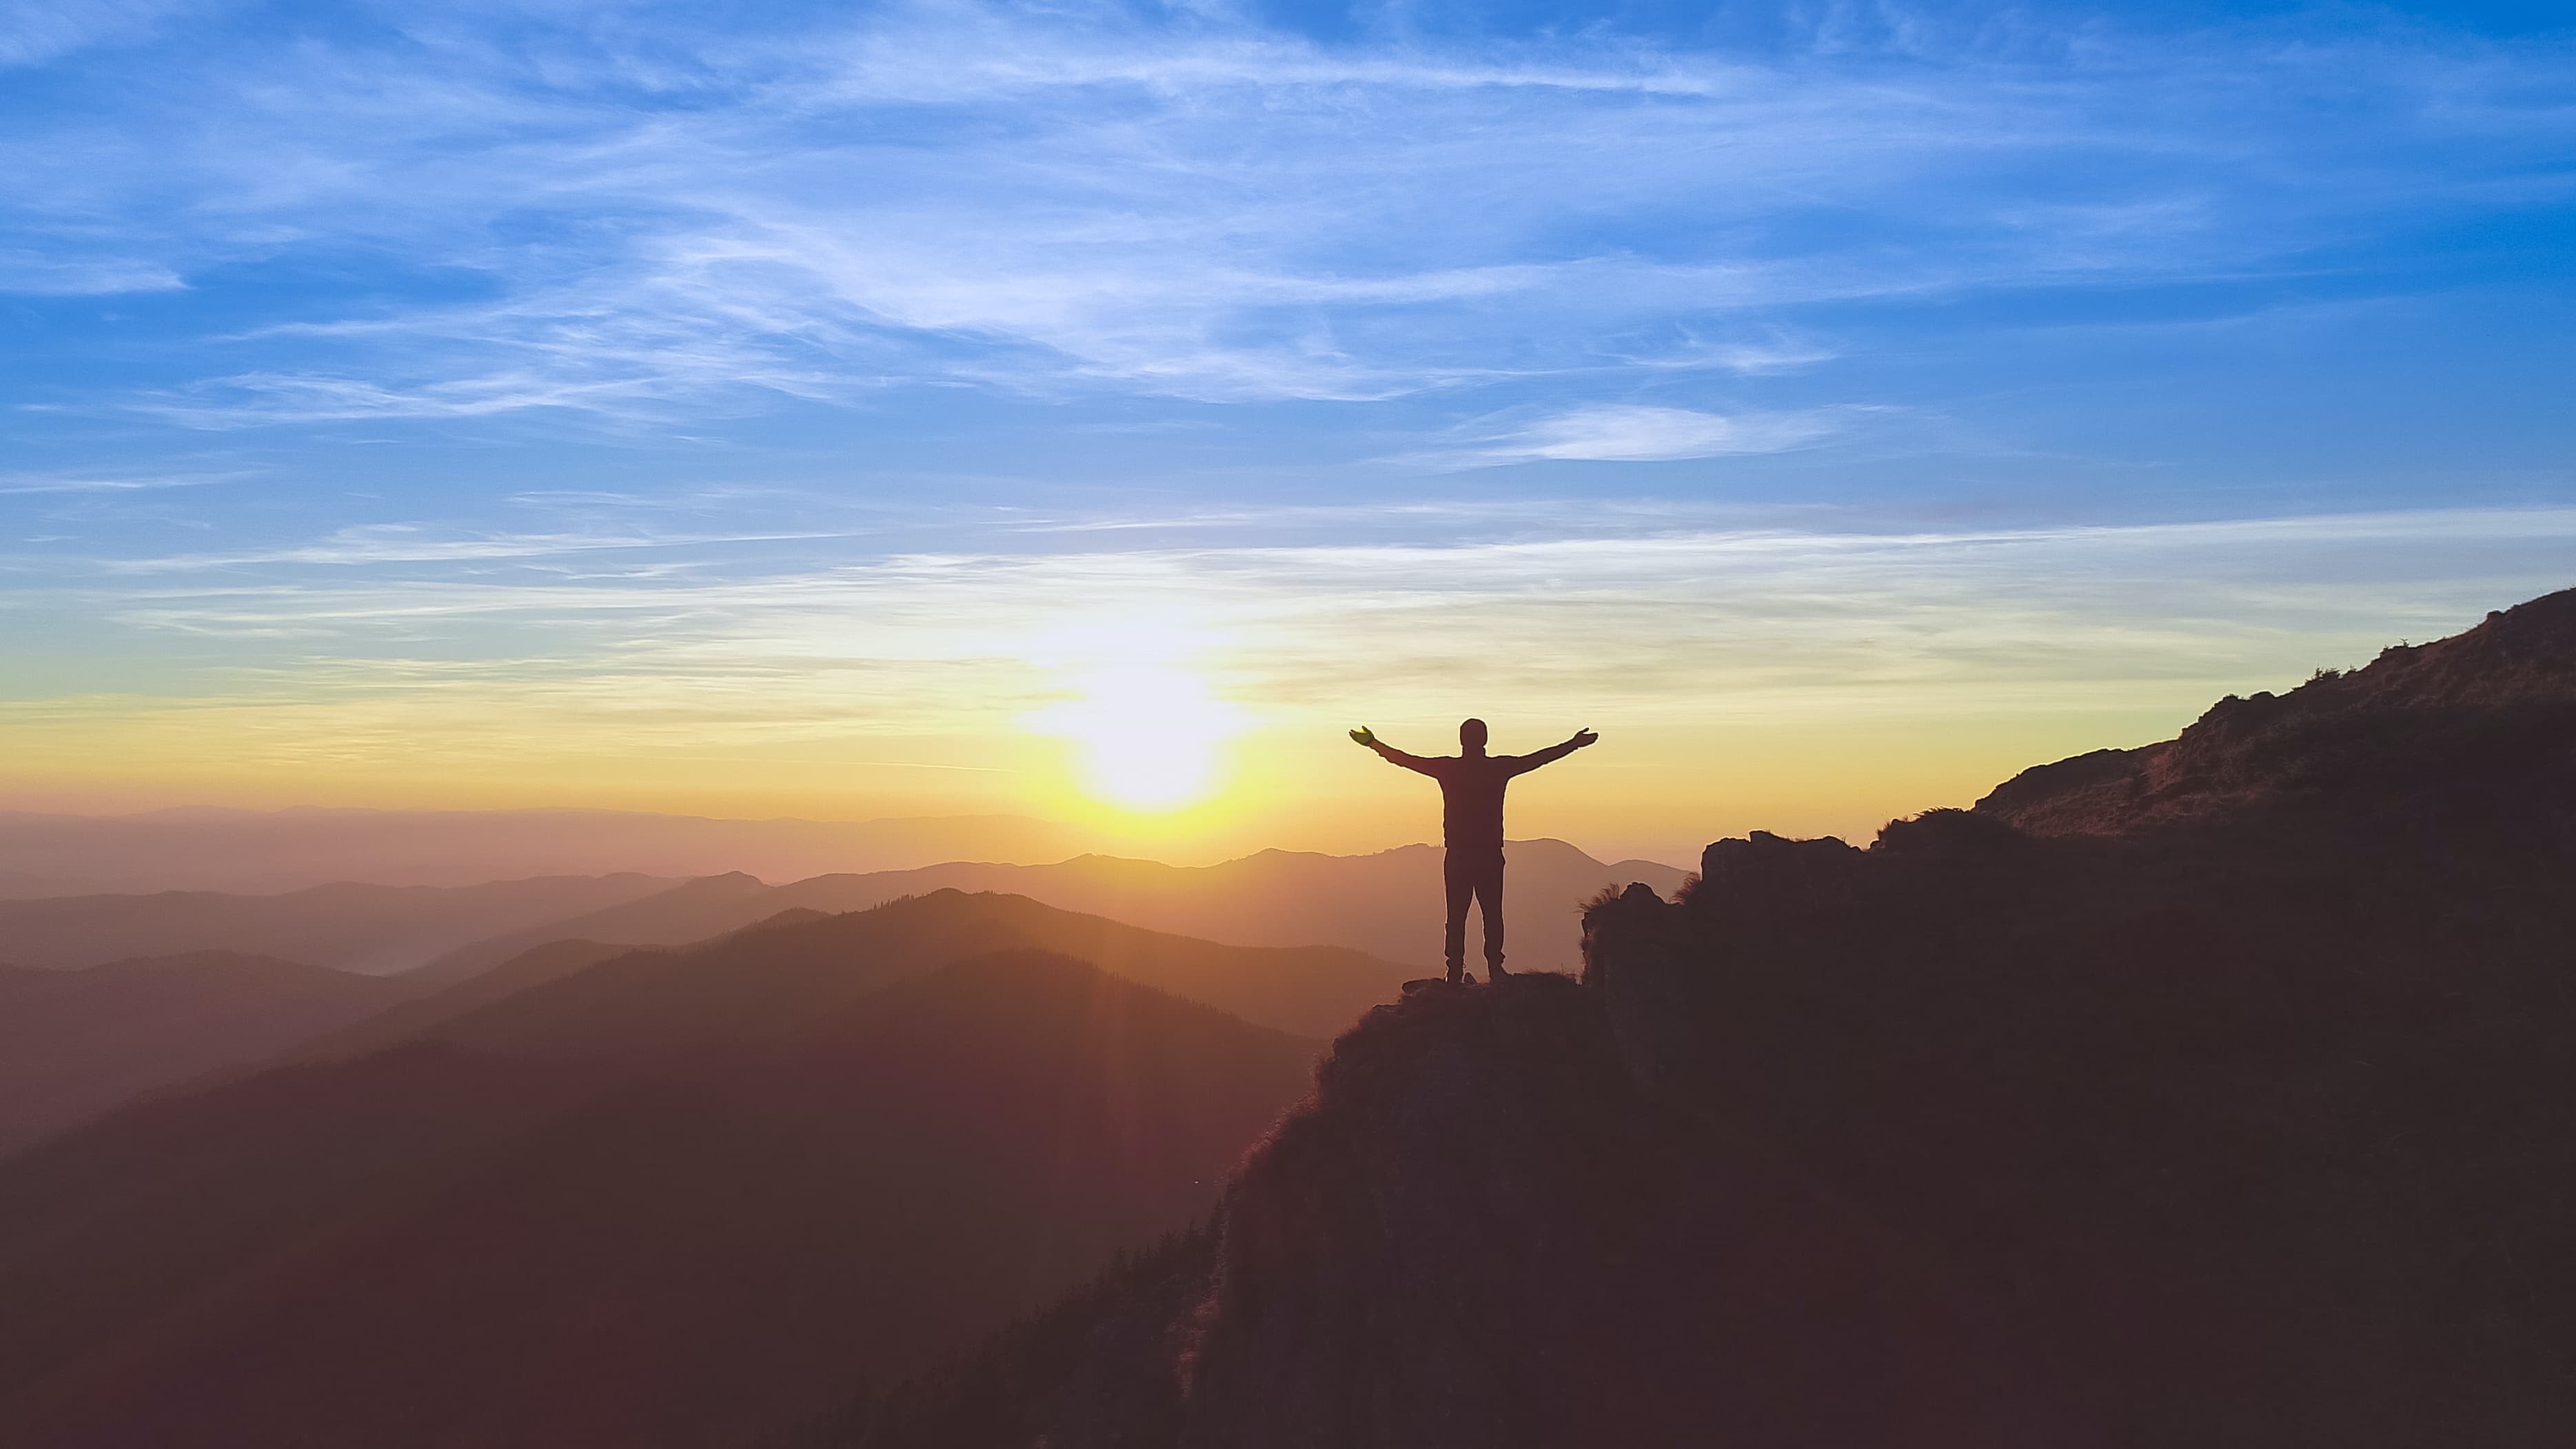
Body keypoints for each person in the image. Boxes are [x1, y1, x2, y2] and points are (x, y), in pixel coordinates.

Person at [1352, 719, 1599, 984]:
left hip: (1459, 855)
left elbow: (1405, 760)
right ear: (1485, 739)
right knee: (1492, 915)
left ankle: (1454, 973)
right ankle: (1495, 969)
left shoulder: (1448, 768)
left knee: (1456, 917)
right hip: (1490, 855)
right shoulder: (1499, 767)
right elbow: (1539, 758)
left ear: (1461, 740)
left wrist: (1373, 744)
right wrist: (1573, 744)